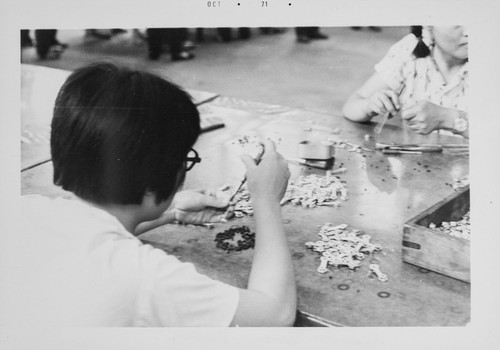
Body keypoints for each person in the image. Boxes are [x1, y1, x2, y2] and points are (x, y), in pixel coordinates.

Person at [18, 62, 296, 327]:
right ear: (164, 174)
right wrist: (266, 200)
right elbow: (275, 315)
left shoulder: (25, 209)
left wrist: (172, 210)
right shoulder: (144, 277)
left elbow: (88, 238)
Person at [342, 26, 469, 138]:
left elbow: (488, 137)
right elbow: (351, 106)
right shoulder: (410, 50)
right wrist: (369, 106)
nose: (469, 31)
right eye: (458, 23)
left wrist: (447, 119)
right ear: (428, 25)